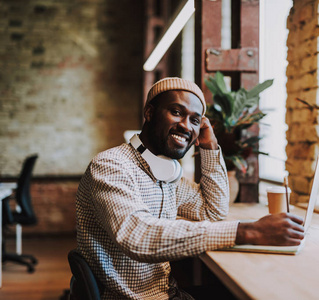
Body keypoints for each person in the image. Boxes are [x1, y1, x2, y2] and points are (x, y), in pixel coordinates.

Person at [75, 77, 305, 299]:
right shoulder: (111, 166)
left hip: (169, 294)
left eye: (195, 120)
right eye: (176, 112)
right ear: (149, 113)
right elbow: (138, 236)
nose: (186, 125)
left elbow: (213, 212)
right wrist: (249, 231)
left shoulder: (167, 175)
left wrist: (210, 145)